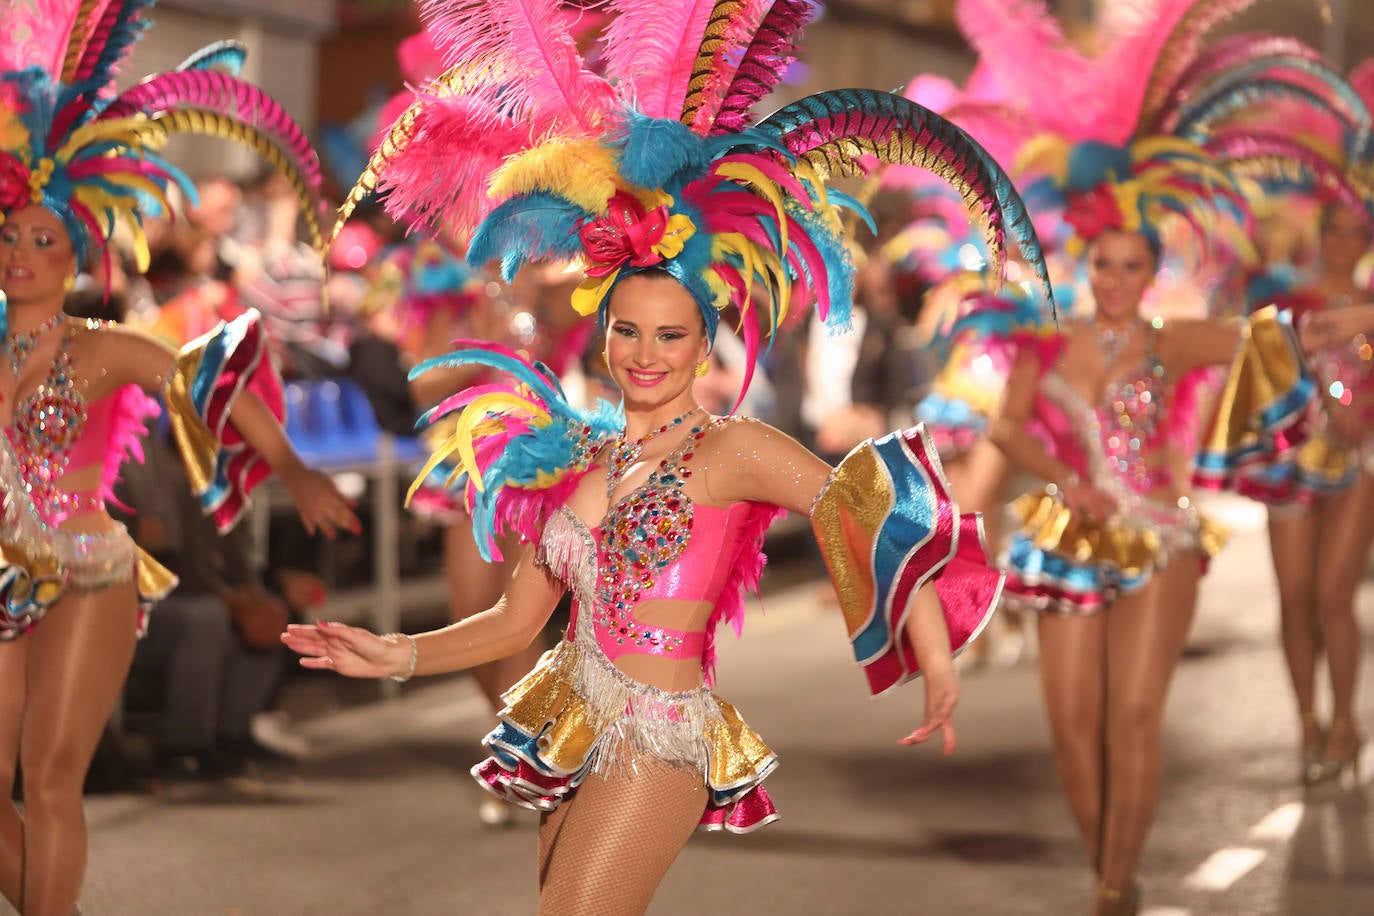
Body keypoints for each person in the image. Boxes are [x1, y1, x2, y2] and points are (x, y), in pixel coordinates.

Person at [285, 2, 1056, 911]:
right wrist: (395, 653)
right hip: (567, 724)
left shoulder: (735, 450)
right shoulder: (573, 455)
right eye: (629, 331)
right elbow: (510, 622)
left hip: (660, 742)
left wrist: (934, 648)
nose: (647, 355)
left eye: (671, 335)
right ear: (603, 334)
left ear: (705, 342)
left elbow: (869, 507)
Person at [958, 0, 1374, 910]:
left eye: (1130, 267)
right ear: (1084, 261)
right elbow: (1005, 430)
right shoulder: (1045, 345)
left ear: (1152, 270)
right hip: (1068, 531)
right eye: (1101, 265)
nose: (1113, 281)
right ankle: (1103, 853)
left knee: (1134, 715)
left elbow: (1276, 337)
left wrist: (1353, 318)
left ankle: (1115, 884)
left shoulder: (1175, 339)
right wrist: (1066, 475)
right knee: (1074, 725)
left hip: (1159, 536)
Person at [0, 5, 359, 912]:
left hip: (87, 571)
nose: (21, 254)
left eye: (43, 239)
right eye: (9, 235)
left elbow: (214, 393)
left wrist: (293, 470)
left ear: (75, 250)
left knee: (47, 779)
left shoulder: (105, 347)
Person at [1244, 201, 1374, 785]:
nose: (1344, 241)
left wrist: (1361, 410)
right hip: (1291, 462)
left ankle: (1345, 721)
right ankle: (1307, 723)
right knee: (1294, 595)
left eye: (1356, 232)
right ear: (1320, 235)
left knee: (1332, 592)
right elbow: (1264, 374)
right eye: (1335, 229)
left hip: (1360, 459)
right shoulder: (1288, 304)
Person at [117, 428, 291, 778]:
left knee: (272, 611)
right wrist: (230, 601)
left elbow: (240, 557)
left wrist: (252, 593)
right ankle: (185, 747)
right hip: (139, 604)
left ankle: (231, 735)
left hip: (198, 595)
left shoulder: (220, 481)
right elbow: (169, 562)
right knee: (206, 618)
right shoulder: (155, 472)